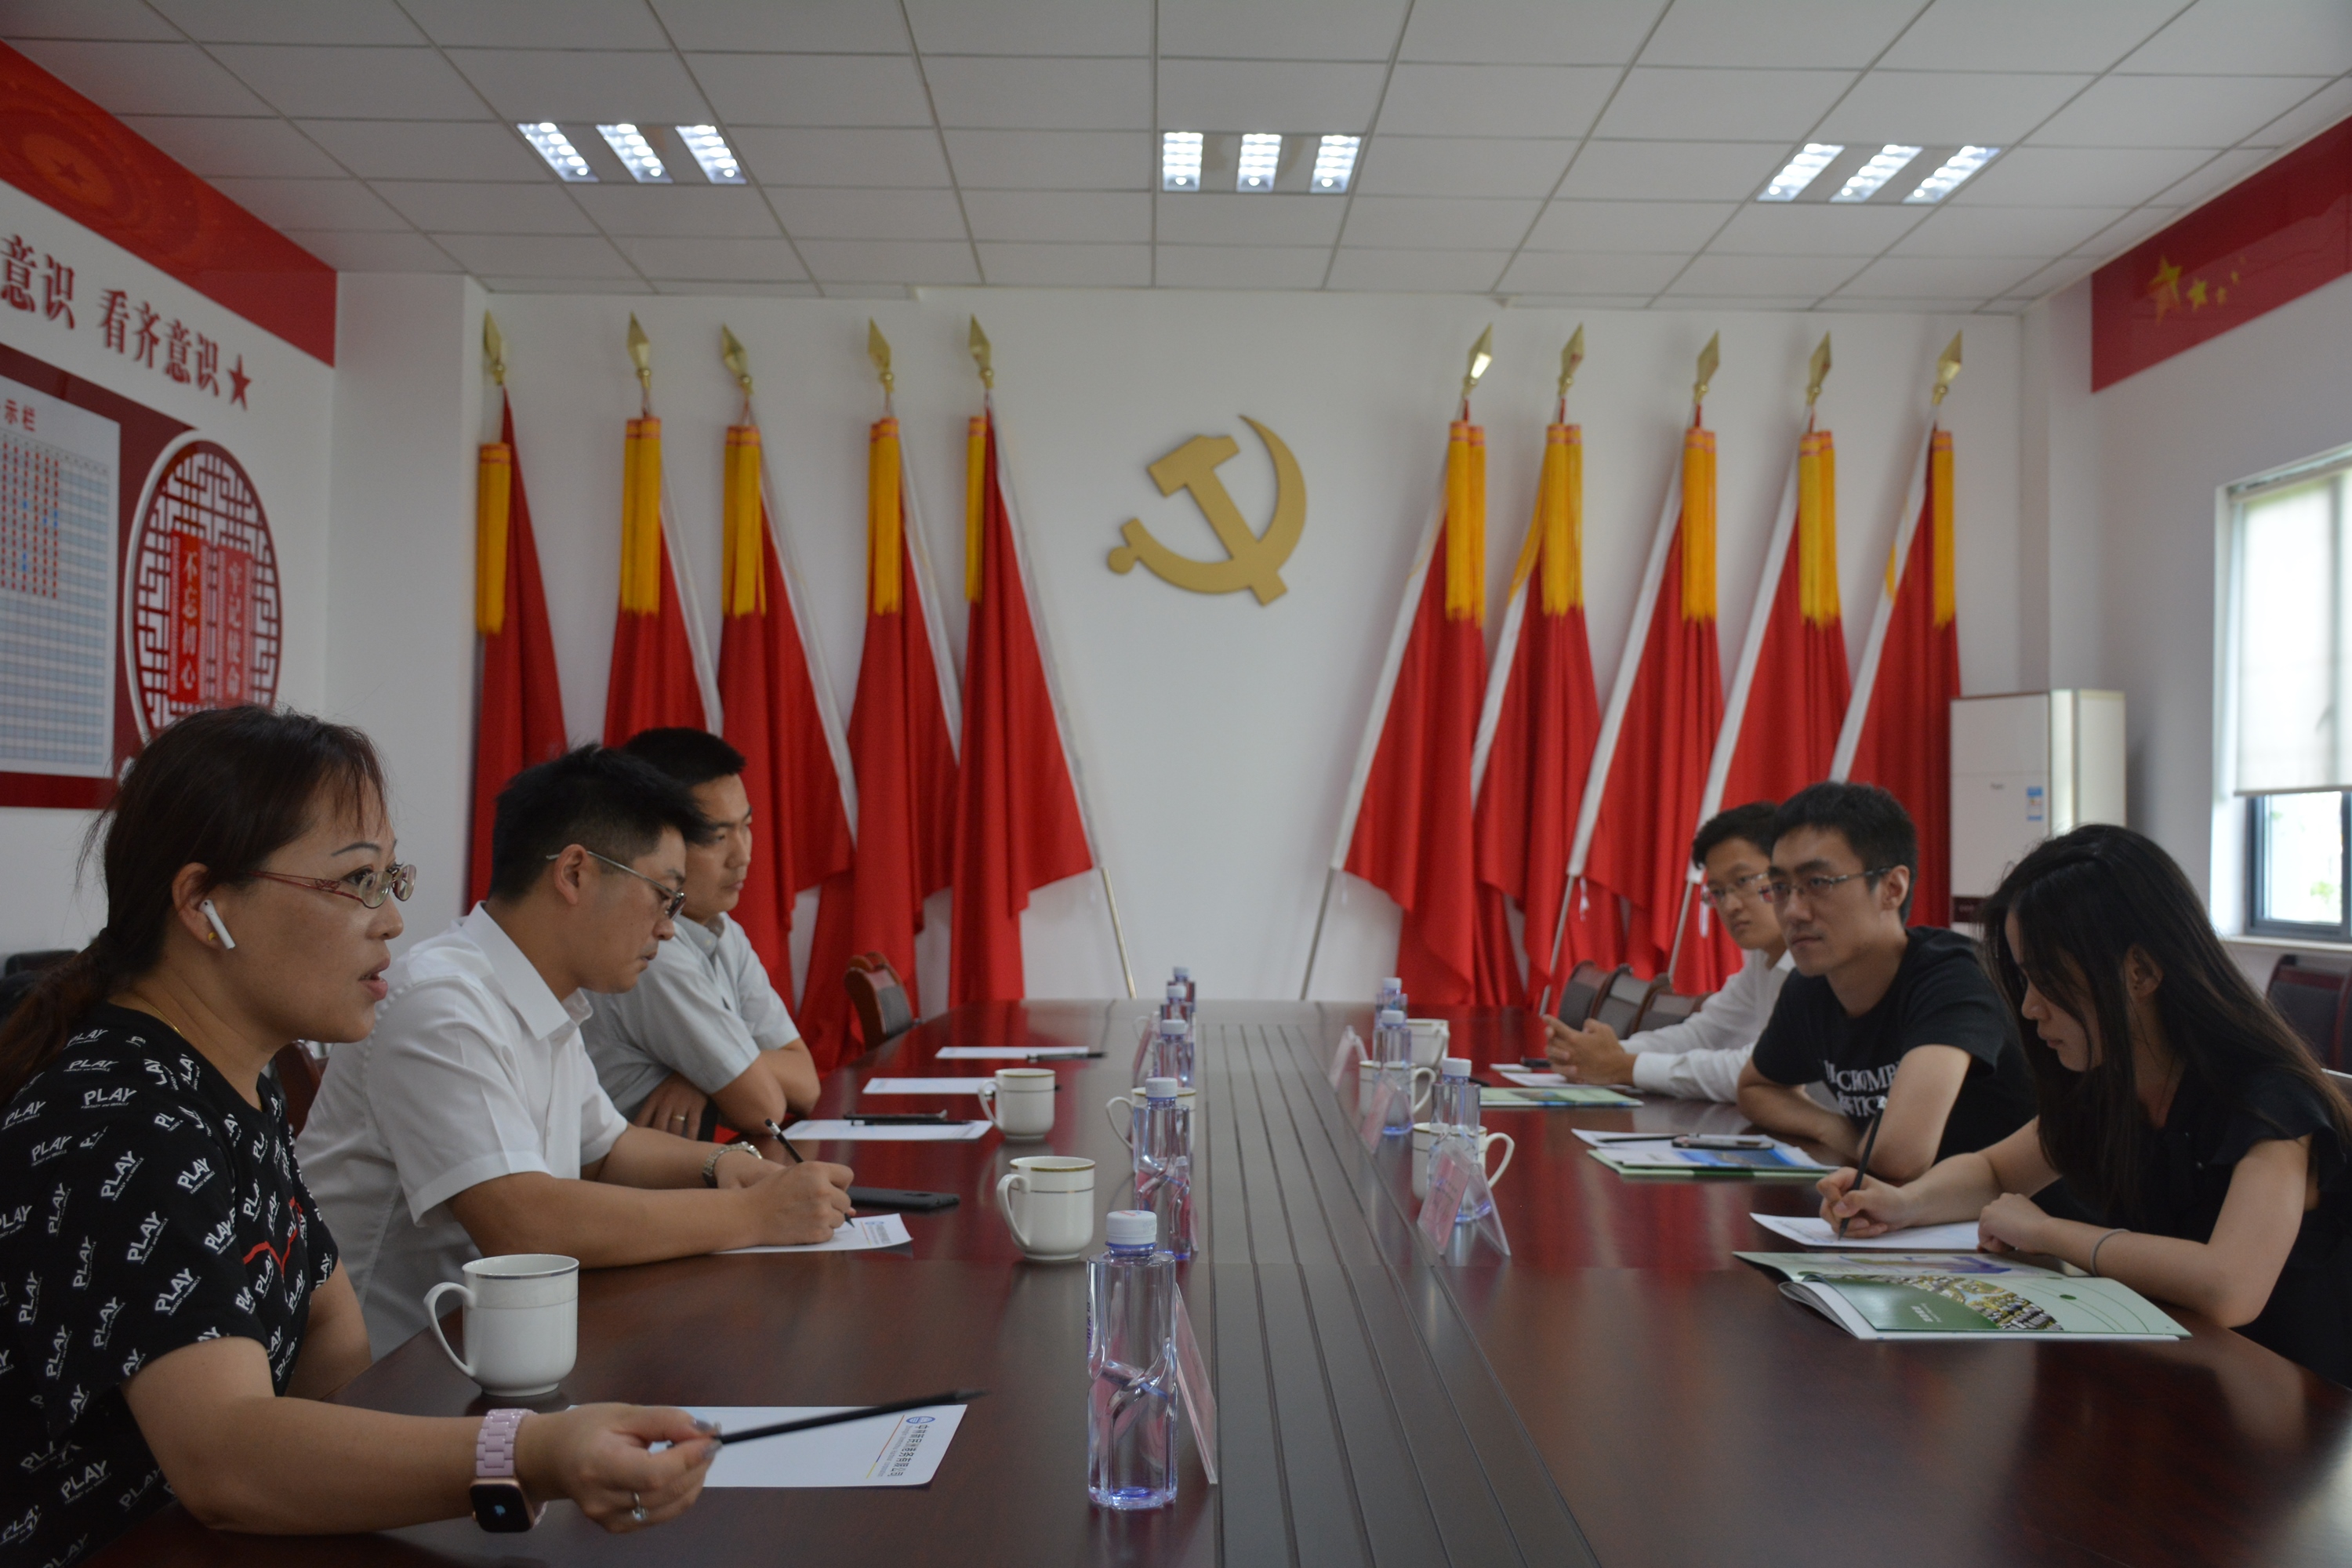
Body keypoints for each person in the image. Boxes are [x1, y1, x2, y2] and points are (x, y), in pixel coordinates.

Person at [0, 708, 717, 1565]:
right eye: (355, 881)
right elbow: (225, 1457)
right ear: (203, 904)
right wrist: (523, 1453)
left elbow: (330, 1328)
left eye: (390, 879)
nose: (390, 921)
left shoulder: (234, 1079)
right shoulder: (123, 1115)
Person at [297, 746, 855, 1357]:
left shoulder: (549, 997)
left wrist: (723, 1165)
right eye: (664, 896)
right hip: (394, 1375)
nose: (669, 928)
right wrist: (755, 1216)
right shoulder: (442, 1003)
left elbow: (608, 1150)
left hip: (502, 1348)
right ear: (575, 874)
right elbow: (523, 1225)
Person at [1823, 825, 2352, 1385]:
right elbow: (1995, 1171)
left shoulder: (2271, 1101)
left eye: (2047, 980)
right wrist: (1904, 1204)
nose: (2030, 1008)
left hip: (2294, 1399)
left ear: (2140, 972)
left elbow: (2230, 1288)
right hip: (2173, 1373)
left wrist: (2047, 1233)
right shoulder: (2111, 1084)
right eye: (2024, 981)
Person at [1736, 782, 2034, 1181]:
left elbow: (1898, 1157)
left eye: (1818, 883)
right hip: (1916, 1209)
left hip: (2023, 1213)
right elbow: (1755, 1089)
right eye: (1780, 888)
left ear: (1892, 889)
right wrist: (1834, 1127)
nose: (1792, 911)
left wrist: (1865, 1146)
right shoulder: (1813, 985)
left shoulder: (1956, 977)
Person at [581, 729, 818, 1156]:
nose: (742, 855)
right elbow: (764, 1107)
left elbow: (806, 1081)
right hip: (621, 1183)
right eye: (716, 836)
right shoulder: (652, 950)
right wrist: (724, 1073)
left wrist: (699, 1074)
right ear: (661, 840)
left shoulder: (722, 930)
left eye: (746, 827)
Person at [1544, 801, 1790, 1101]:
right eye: (1718, 892)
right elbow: (1703, 1034)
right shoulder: (1763, 958)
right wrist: (1600, 1054)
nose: (1730, 906)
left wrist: (1625, 1066)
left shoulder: (1815, 963)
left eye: (1742, 882)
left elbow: (1761, 1070)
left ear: (1785, 873)